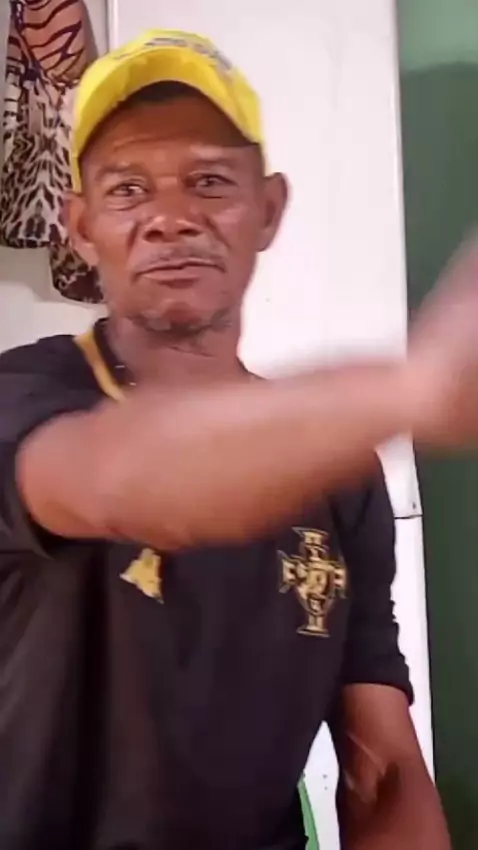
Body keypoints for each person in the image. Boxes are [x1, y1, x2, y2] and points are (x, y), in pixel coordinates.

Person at [3, 28, 478, 850]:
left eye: (210, 180)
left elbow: (383, 770)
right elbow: (128, 477)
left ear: (269, 208)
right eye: (127, 189)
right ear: (80, 226)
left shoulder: (340, 476)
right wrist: (417, 388)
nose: (170, 218)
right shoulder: (22, 398)